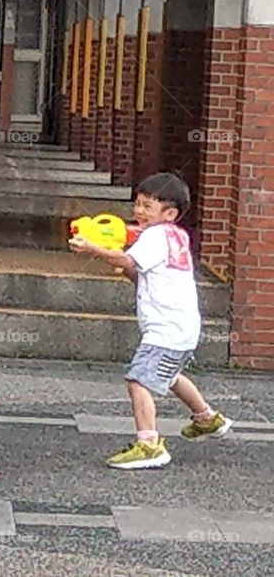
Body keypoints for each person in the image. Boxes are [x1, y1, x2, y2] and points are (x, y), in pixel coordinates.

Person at [70, 172, 233, 469]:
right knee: (168, 375)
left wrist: (92, 248)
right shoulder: (178, 235)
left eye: (148, 206)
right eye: (139, 204)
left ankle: (149, 444)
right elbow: (140, 272)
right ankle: (207, 418)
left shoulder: (155, 236)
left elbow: (126, 261)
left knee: (138, 379)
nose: (139, 211)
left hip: (165, 329)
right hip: (183, 328)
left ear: (169, 213)